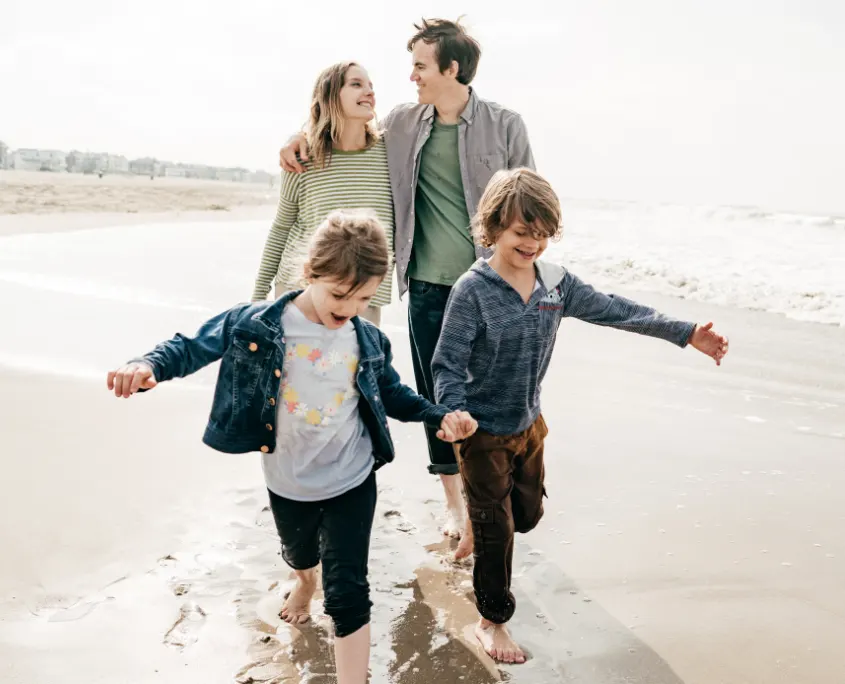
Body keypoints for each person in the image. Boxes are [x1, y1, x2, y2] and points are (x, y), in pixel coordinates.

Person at [107, 210, 478, 684]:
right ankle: (303, 582)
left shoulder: (367, 339)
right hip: (288, 481)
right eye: (339, 294)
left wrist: (436, 415)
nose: (347, 308)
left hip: (353, 477)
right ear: (309, 274)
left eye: (363, 298)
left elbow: (393, 394)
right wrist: (148, 365)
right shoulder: (257, 324)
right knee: (301, 555)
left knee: (349, 592)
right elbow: (191, 345)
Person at [432, 169, 730, 664]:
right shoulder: (474, 290)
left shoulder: (555, 284)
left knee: (525, 517)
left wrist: (686, 333)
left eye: (542, 234)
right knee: (498, 531)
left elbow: (615, 309)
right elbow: (447, 362)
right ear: (493, 228)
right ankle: (492, 621)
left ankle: (478, 523)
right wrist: (454, 410)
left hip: (529, 426)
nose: (532, 244)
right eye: (521, 232)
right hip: (481, 432)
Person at [280, 18, 535, 558]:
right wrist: (295, 140)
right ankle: (457, 503)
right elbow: (342, 134)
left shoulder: (505, 125)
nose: (411, 75)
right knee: (436, 392)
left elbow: (529, 202)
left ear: (452, 68)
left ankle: (504, 483)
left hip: (490, 285)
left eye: (421, 65)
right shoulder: (402, 124)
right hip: (424, 283)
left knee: (497, 389)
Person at [253, 62, 393, 327]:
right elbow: (282, 227)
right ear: (330, 95)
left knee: (357, 369)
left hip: (363, 298)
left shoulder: (390, 154)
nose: (369, 92)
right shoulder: (302, 158)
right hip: (300, 293)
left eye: (371, 87)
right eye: (356, 84)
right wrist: (258, 296)